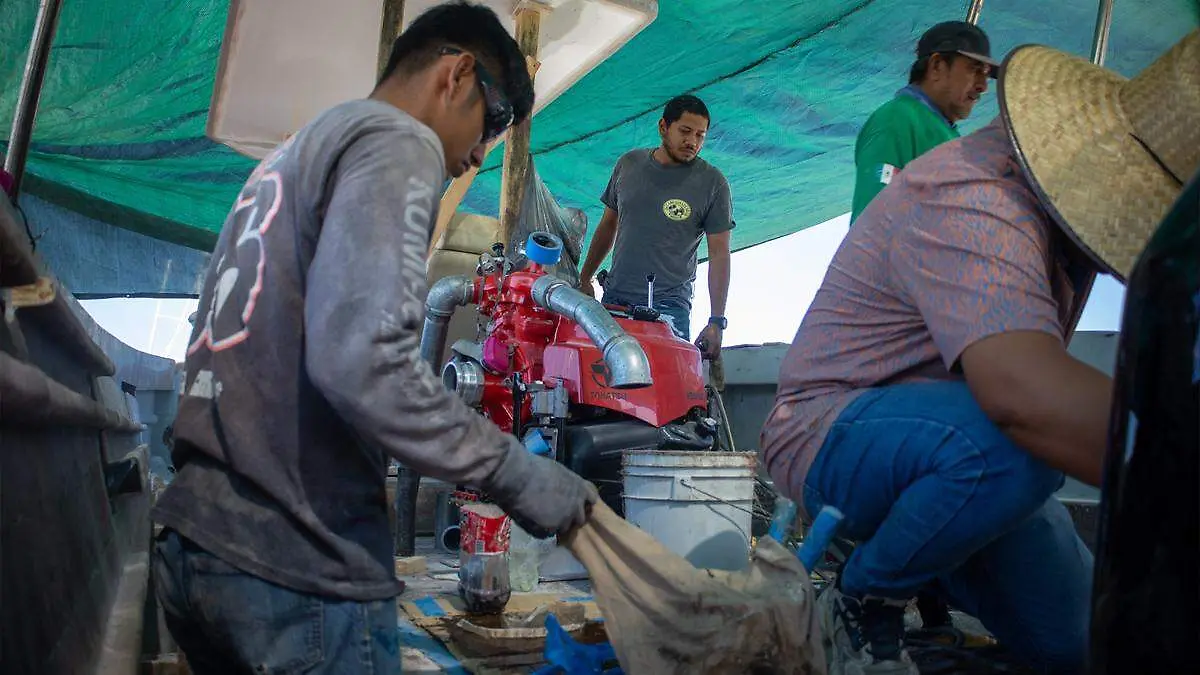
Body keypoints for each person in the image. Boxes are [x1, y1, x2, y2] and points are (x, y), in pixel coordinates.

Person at [150, 3, 598, 673]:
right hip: (297, 565)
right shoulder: (398, 141)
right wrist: (519, 475)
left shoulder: (293, 156)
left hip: (200, 544)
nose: (481, 153)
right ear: (456, 74)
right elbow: (366, 362)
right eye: (492, 121)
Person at [761, 30, 1198, 675]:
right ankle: (862, 596)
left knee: (1080, 645)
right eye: (967, 70)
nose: (976, 85)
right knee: (1023, 440)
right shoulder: (970, 189)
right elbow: (1024, 399)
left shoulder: (1049, 225)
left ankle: (925, 558)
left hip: (960, 441)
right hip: (835, 430)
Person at [577, 95, 734, 357]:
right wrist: (584, 278)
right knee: (603, 376)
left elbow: (719, 253)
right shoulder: (628, 165)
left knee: (665, 379)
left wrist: (717, 321)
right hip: (615, 300)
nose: (692, 142)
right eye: (685, 131)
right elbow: (608, 224)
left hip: (669, 307)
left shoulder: (713, 184)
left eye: (700, 135)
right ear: (663, 127)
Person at [850, 20, 997, 223]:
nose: (983, 86)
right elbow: (872, 223)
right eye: (974, 69)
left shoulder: (947, 134)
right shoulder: (898, 119)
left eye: (986, 74)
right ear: (937, 66)